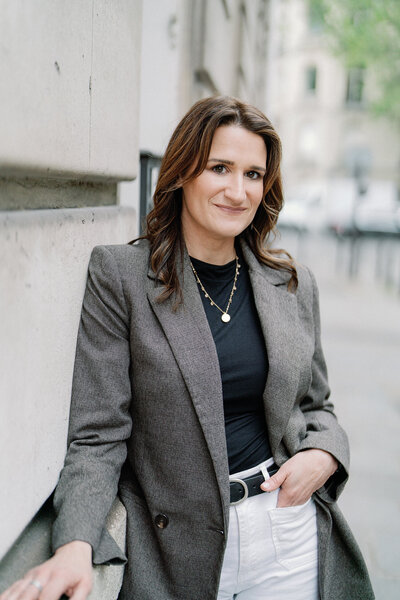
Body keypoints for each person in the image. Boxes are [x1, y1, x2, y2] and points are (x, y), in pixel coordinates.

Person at [1, 96, 374, 600]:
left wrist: (325, 454)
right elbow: (97, 435)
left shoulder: (290, 283)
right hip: (177, 550)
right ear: (182, 171)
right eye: (220, 168)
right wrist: (75, 543)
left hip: (286, 530)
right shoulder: (122, 278)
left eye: (253, 174)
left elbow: (317, 406)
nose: (237, 191)